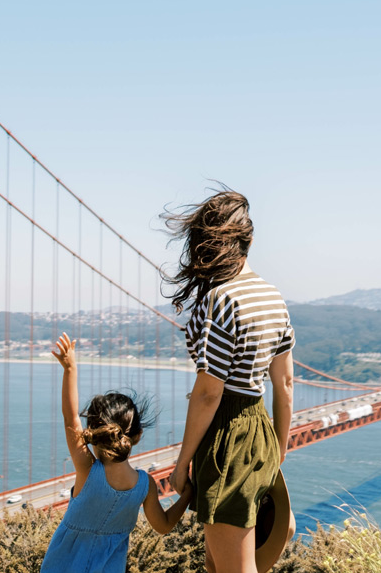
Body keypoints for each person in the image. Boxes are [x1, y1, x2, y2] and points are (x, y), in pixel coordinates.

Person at [164, 188, 296, 573]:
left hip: (227, 439)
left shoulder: (220, 299)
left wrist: (181, 463)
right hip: (261, 435)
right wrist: (278, 450)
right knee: (218, 565)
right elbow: (284, 383)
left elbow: (209, 393)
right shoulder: (273, 296)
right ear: (249, 241)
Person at [41, 333, 194, 573]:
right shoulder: (146, 485)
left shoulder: (88, 470)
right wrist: (187, 495)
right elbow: (163, 526)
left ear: (93, 432)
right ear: (138, 435)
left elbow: (70, 417)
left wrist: (70, 369)